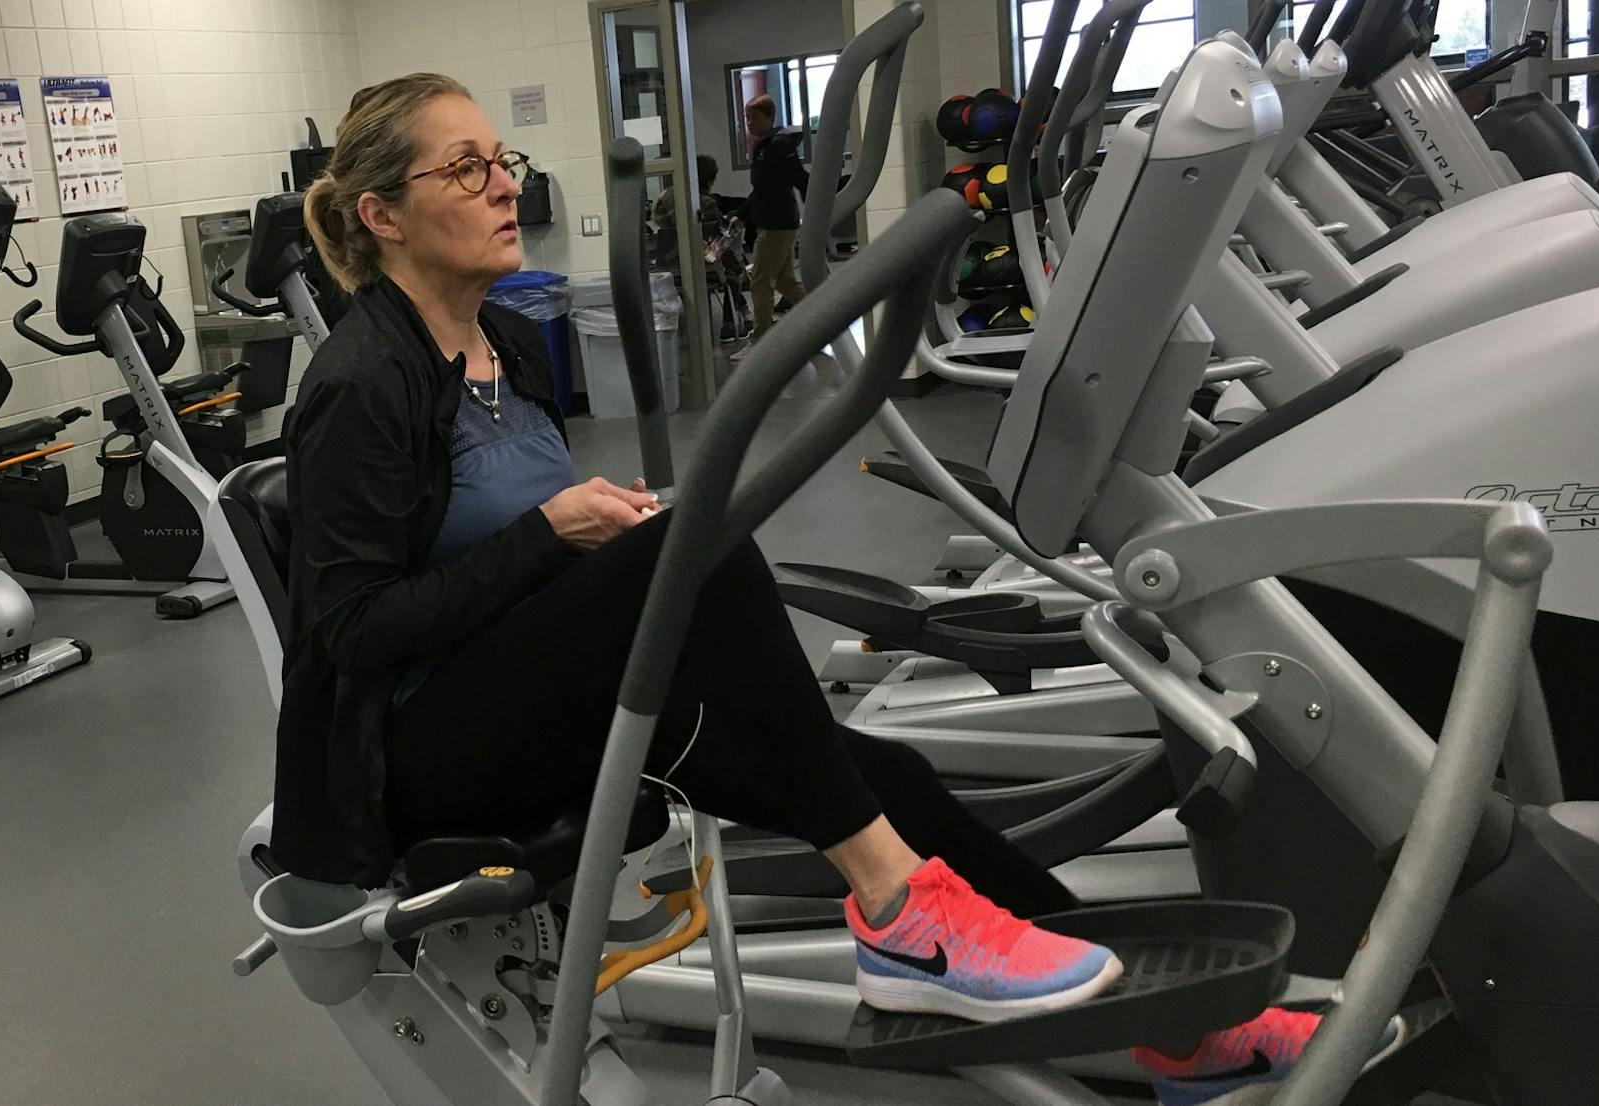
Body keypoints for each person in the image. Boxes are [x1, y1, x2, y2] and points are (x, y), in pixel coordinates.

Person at [282, 72, 1394, 1103]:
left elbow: (513, 559)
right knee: (704, 551)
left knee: (885, 772)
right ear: (382, 214)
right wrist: (547, 535)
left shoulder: (514, 347)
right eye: (464, 168)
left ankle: (1179, 1033)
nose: (503, 184)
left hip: (530, 702)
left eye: (502, 159)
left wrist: (590, 531)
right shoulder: (360, 383)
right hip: (419, 759)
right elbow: (351, 629)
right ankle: (906, 912)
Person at [744, 94, 810, 337]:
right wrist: (742, 214)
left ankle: (761, 336)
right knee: (784, 281)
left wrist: (813, 209)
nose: (749, 123)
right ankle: (818, 319)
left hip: (777, 224)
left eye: (754, 118)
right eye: (746, 119)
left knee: (760, 280)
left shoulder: (778, 145)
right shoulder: (763, 147)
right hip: (774, 220)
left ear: (769, 117)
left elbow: (798, 177)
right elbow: (761, 189)